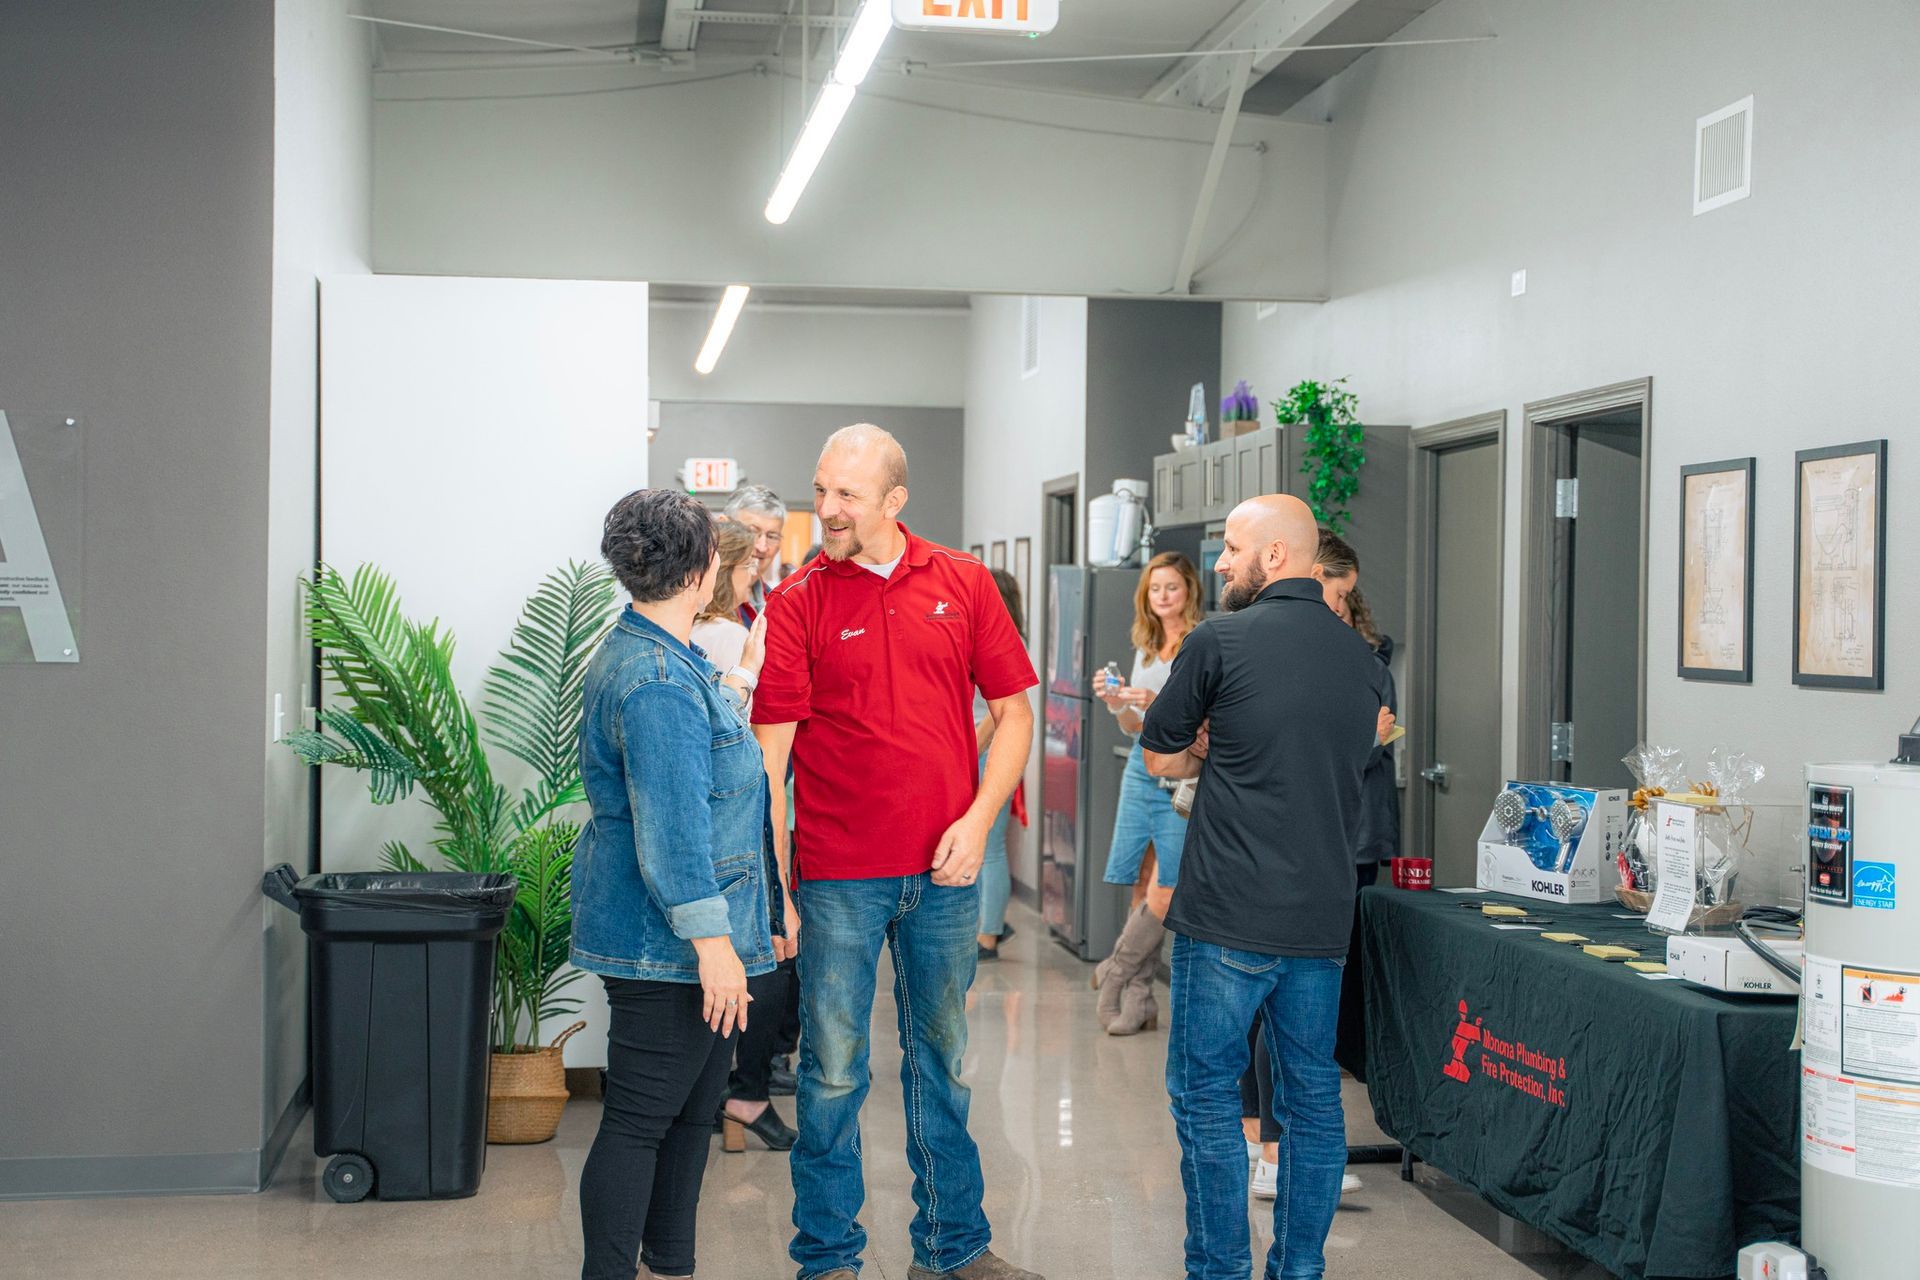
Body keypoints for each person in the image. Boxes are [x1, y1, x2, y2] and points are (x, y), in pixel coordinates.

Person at [752, 424, 1044, 1280]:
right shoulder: (798, 601)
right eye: (821, 489)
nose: (828, 509)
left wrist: (982, 818)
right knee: (833, 1075)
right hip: (840, 875)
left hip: (946, 876)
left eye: (847, 493)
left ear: (894, 500)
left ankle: (952, 1251)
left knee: (943, 1066)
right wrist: (780, 891)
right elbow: (773, 765)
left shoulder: (962, 582)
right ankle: (829, 1259)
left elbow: (1016, 712)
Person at [1142, 494, 1392, 1280]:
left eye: (1233, 547)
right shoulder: (1369, 663)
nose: (1218, 562)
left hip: (1226, 917)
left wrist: (1210, 746)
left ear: (1276, 556)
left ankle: (1219, 1269)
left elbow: (1159, 754)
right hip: (1320, 920)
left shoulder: (1220, 640)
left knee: (1208, 1094)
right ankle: (1298, 1270)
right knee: (1315, 1102)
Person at [571, 488, 788, 1280]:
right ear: (701, 571)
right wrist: (715, 947)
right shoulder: (658, 678)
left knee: (693, 1115)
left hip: (688, 938)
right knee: (640, 1121)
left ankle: (672, 1264)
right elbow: (672, 832)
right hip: (668, 946)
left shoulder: (663, 656)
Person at [1241, 530, 1397, 1202]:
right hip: (1319, 847)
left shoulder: (1345, 656)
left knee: (1272, 1003)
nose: (1341, 605)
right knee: (1292, 1005)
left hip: (1320, 844)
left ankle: (1263, 1146)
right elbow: (1312, 757)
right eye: (1337, 590)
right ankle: (1275, 1152)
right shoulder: (1307, 658)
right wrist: (1372, 740)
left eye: (1346, 596)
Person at [692, 518, 799, 1154]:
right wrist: (779, 873)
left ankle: (715, 1093)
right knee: (776, 953)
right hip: (741, 822)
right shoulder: (737, 642)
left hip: (690, 823)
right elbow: (766, 764)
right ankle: (747, 1091)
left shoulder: (671, 641)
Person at [1086, 551, 1204, 1034]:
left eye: (1171, 587)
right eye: (1155, 589)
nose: (1162, 597)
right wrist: (1118, 704)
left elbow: (1198, 720)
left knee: (1168, 884)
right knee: (1142, 878)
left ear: (1189, 591)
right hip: (1142, 763)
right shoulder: (1147, 644)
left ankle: (1115, 972)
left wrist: (1154, 702)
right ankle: (1141, 1001)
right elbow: (1136, 726)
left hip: (1180, 772)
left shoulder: (1200, 641)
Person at [974, 568, 1028, 961]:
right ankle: (987, 923)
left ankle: (988, 934)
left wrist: (968, 750)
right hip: (981, 746)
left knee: (990, 847)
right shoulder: (989, 633)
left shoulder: (1004, 639)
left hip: (987, 748)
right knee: (984, 845)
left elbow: (999, 713)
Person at [723, 483, 787, 624]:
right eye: (752, 532)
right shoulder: (701, 597)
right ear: (725, 529)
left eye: (772, 536)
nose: (762, 547)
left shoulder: (778, 603)